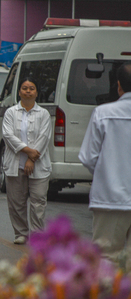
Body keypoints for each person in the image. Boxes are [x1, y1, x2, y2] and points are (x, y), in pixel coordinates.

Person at [79, 62, 131, 272]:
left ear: (119, 86)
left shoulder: (103, 113)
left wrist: (106, 174)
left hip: (110, 199)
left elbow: (88, 157)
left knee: (106, 258)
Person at [2, 77, 52, 245]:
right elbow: (8, 136)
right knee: (16, 201)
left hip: (39, 164)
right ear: (19, 91)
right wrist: (28, 151)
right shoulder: (11, 112)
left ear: (36, 92)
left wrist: (31, 158)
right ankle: (21, 232)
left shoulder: (43, 114)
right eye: (24, 88)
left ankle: (38, 234)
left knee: (38, 201)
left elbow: (44, 137)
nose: (28, 91)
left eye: (31, 88)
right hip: (15, 163)